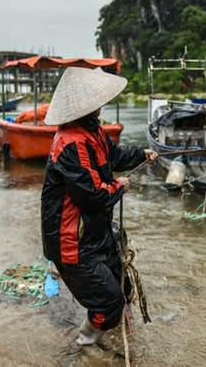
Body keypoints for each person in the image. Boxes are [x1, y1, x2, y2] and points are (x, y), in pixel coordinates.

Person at [40, 66, 158, 346]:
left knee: (121, 282)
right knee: (108, 301)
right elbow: (93, 196)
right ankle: (84, 345)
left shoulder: (94, 131)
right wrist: (121, 186)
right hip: (72, 241)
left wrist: (142, 153)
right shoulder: (70, 143)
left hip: (94, 230)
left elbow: (114, 155)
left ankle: (118, 332)